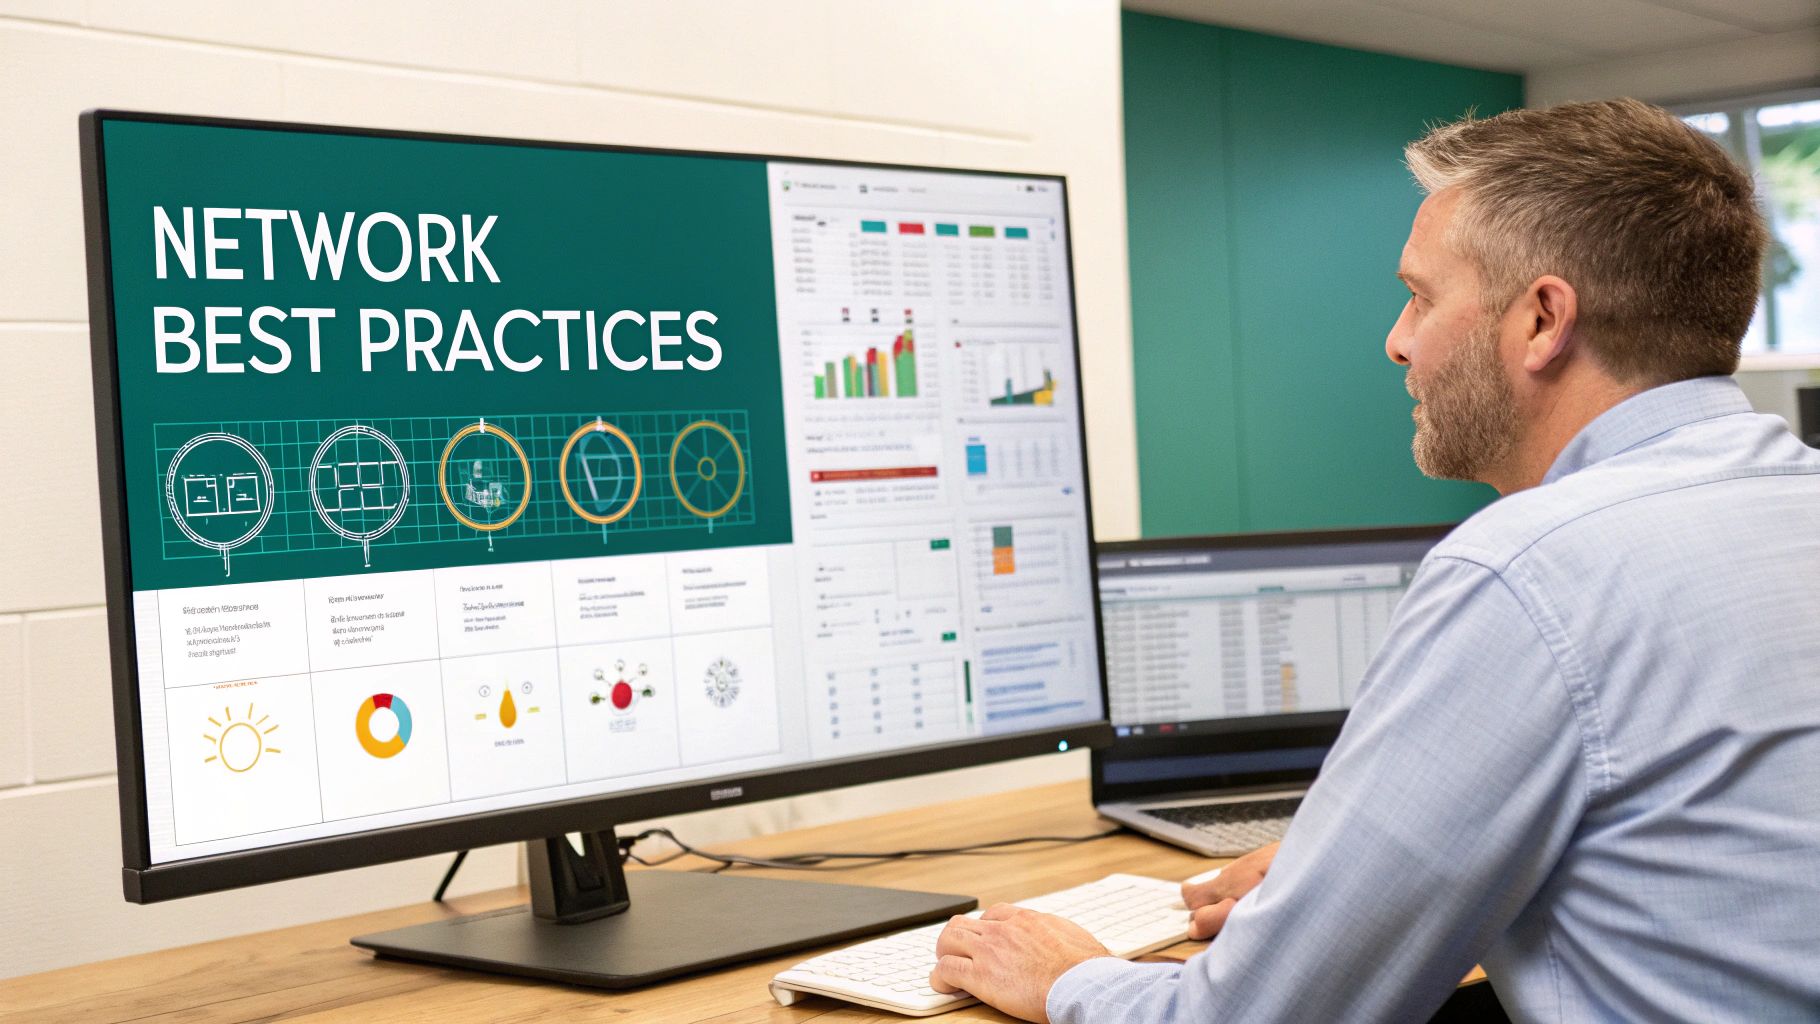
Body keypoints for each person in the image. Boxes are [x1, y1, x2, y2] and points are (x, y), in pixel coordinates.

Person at [929, 98, 1820, 1022]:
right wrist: (1359, 883)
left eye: (1422, 296)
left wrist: (1067, 974)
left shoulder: (1529, 569)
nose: (1398, 339)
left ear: (1542, 320)